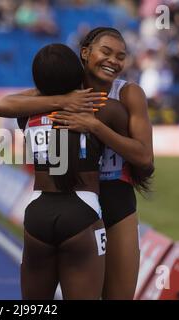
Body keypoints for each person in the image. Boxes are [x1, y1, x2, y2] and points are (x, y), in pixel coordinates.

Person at [0, 27, 154, 300]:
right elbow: (4, 105)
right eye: (106, 52)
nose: (113, 61)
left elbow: (145, 159)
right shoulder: (63, 85)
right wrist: (65, 100)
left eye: (121, 56)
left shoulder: (127, 94)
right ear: (85, 52)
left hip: (116, 197)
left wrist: (95, 126)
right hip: (73, 198)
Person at [17, 43, 131, 300]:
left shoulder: (25, 114)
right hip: (82, 210)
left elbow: (8, 103)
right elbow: (140, 154)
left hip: (37, 211)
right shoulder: (104, 109)